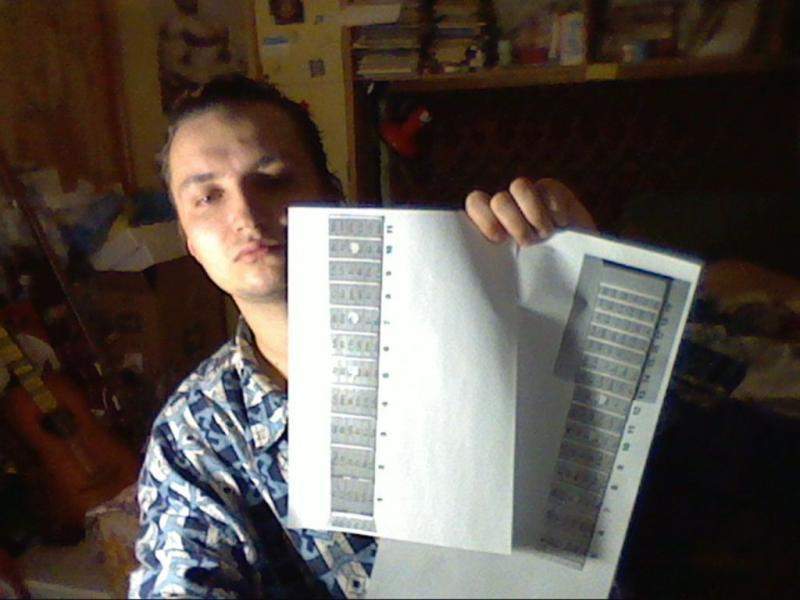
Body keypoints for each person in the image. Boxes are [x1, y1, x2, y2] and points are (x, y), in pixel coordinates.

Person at [128, 75, 596, 599]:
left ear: (331, 197)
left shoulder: (484, 319)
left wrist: (586, 283)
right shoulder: (195, 432)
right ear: (188, 239)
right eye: (207, 197)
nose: (245, 215)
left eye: (274, 180)